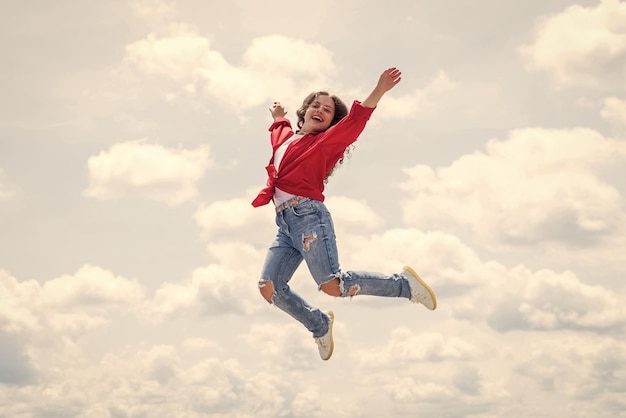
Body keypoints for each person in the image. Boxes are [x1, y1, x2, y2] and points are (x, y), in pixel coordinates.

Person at [252, 68, 437, 361]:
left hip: (309, 217)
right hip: (285, 225)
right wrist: (278, 115)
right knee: (269, 287)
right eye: (316, 105)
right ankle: (319, 324)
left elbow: (356, 120)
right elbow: (279, 131)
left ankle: (404, 286)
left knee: (332, 285)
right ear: (305, 111)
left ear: (330, 123)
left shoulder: (327, 143)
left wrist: (380, 89)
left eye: (327, 111)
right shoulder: (286, 139)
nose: (321, 110)